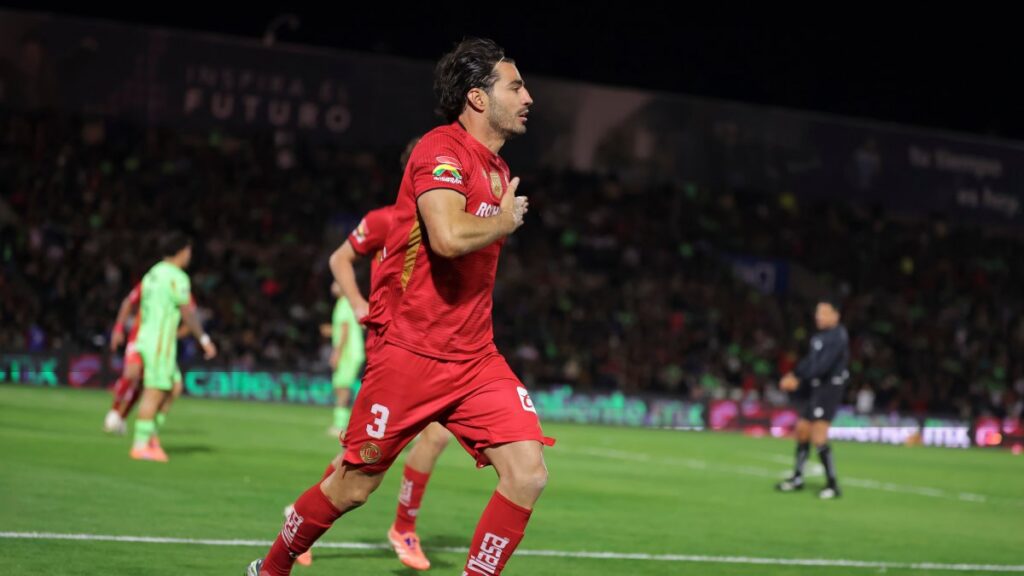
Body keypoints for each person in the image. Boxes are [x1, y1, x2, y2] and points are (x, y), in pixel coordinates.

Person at [248, 37, 552, 576]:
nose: (528, 97)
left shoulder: (499, 170)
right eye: (516, 86)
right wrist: (505, 222)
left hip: (474, 357)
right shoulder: (439, 150)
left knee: (527, 473)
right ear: (478, 97)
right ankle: (271, 568)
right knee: (353, 487)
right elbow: (447, 238)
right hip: (410, 354)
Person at [776, 297, 850, 499]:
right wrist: (794, 374)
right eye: (818, 312)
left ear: (836, 315)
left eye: (824, 312)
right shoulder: (819, 337)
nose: (818, 316)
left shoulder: (838, 336)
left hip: (830, 389)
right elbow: (810, 362)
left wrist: (799, 379)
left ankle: (832, 485)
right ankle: (797, 478)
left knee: (818, 435)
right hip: (817, 388)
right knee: (802, 430)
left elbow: (823, 366)